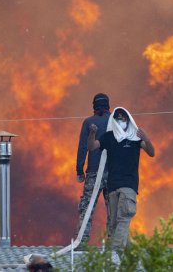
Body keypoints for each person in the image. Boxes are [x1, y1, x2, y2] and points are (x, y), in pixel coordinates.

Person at [87, 107, 155, 256]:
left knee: (124, 217)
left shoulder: (135, 138)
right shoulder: (108, 137)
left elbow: (151, 152)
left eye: (123, 118)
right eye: (118, 118)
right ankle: (130, 258)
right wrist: (92, 132)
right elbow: (91, 147)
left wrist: (146, 139)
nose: (121, 120)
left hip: (128, 186)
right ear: (113, 120)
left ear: (129, 119)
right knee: (114, 224)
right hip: (112, 187)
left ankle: (116, 254)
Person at [75, 93, 111, 248]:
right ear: (108, 105)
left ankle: (81, 244)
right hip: (113, 173)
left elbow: (83, 147)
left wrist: (79, 170)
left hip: (93, 172)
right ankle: (114, 245)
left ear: (94, 106)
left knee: (87, 208)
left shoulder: (89, 122)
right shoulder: (115, 121)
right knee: (113, 209)